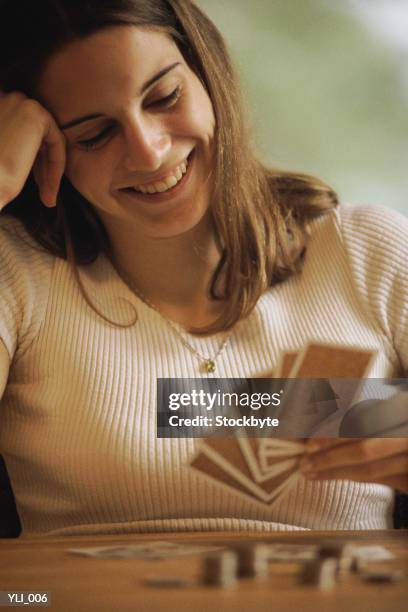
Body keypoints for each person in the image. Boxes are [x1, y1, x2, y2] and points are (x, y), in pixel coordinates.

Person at [0, 0, 406, 538]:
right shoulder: (18, 271)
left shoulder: (366, 250)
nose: (149, 153)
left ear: (208, 75)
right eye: (94, 134)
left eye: (164, 97)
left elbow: (196, 413)